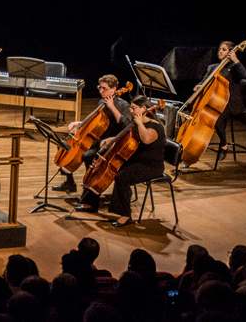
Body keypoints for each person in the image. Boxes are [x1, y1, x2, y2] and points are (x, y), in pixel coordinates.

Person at [53, 74, 132, 195]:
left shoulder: (123, 105)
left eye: (104, 89)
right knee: (64, 146)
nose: (101, 91)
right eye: (99, 88)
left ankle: (89, 189)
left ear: (114, 89)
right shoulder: (102, 101)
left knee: (87, 156)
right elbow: (95, 121)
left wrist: (112, 107)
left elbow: (126, 125)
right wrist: (79, 123)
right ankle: (70, 183)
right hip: (96, 139)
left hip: (109, 143)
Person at [97, 95, 167, 227]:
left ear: (144, 108)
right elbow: (127, 137)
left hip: (152, 166)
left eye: (134, 108)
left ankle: (125, 215)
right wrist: (111, 140)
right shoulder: (137, 122)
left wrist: (140, 123)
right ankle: (117, 206)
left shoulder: (154, 127)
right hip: (139, 161)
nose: (131, 110)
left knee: (122, 177)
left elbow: (146, 139)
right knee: (116, 169)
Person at [193, 40, 246, 162]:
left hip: (231, 103)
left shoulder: (234, 67)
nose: (220, 51)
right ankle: (193, 151)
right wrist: (199, 85)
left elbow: (244, 75)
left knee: (216, 120)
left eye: (224, 49)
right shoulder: (212, 67)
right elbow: (204, 81)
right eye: (220, 49)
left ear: (231, 52)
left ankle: (223, 145)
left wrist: (235, 60)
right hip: (216, 102)